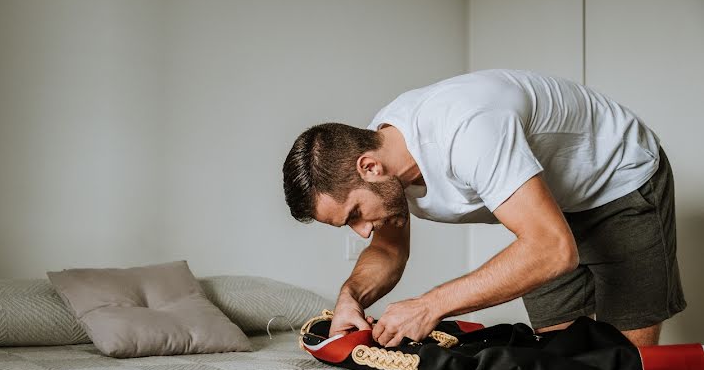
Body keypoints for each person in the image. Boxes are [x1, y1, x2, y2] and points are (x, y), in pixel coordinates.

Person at [282, 69, 684, 348]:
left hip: (618, 178)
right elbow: (388, 251)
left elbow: (551, 249)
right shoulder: (382, 154)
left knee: (628, 364)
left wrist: (429, 306)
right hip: (548, 207)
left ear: (368, 168)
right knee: (565, 361)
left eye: (354, 214)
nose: (362, 232)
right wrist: (349, 298)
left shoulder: (468, 130)